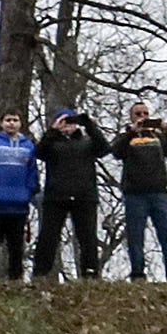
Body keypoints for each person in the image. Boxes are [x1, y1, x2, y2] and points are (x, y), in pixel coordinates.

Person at [33, 106, 111, 280]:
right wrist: (53, 131)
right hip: (56, 196)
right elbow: (38, 152)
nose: (68, 125)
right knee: (48, 237)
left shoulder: (87, 142)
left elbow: (105, 149)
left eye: (71, 121)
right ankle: (40, 273)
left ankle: (90, 273)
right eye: (64, 121)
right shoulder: (52, 143)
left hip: (84, 196)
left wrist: (90, 125)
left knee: (88, 238)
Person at [110, 101, 167, 282]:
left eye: (145, 113)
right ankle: (137, 274)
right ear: (132, 116)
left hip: (158, 192)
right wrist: (131, 132)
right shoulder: (126, 136)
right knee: (136, 237)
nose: (142, 117)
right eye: (138, 113)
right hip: (134, 194)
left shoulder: (158, 136)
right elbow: (115, 151)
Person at [0, 112, 38, 279]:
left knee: (16, 246)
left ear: (20, 123)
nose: (11, 124)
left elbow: (32, 172)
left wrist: (28, 191)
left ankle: (16, 279)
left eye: (15, 120)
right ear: (1, 123)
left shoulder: (29, 146)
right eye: (8, 120)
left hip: (19, 205)